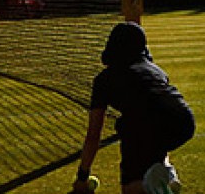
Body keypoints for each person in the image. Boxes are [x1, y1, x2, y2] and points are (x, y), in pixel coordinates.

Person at [73, 22, 194, 194]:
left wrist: (82, 177)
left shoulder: (104, 80)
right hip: (184, 122)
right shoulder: (157, 70)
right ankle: (168, 174)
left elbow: (94, 135)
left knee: (130, 187)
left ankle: (151, 186)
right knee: (150, 133)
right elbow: (161, 108)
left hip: (148, 124)